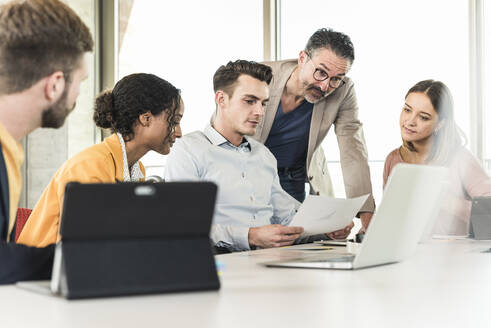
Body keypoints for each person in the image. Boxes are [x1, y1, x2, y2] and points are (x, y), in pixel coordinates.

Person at [18, 73, 184, 247]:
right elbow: (84, 247)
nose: (179, 132)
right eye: (174, 121)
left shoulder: (135, 169)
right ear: (146, 118)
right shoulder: (91, 166)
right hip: (45, 269)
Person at [165, 60, 306, 252]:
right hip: (222, 261)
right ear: (221, 99)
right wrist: (251, 236)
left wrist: (328, 226)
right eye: (249, 101)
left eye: (263, 103)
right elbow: (183, 225)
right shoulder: (188, 150)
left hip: (272, 259)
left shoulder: (263, 155)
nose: (259, 112)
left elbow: (286, 214)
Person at [0, 0, 93, 284]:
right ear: (55, 85)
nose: (78, 93)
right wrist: (93, 259)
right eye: (80, 81)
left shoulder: (8, 150)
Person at [255, 28, 375, 234]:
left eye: (337, 78)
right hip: (253, 176)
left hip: (294, 179)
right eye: (321, 72)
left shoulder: (344, 90)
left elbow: (353, 149)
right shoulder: (259, 76)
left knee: (293, 246)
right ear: (302, 58)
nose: (325, 85)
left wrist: (367, 215)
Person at [383, 79, 491, 236]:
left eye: (424, 117)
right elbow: (390, 218)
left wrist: (444, 200)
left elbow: (488, 214)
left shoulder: (461, 159)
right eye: (407, 110)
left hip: (456, 257)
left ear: (440, 124)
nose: (410, 122)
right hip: (409, 256)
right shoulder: (393, 160)